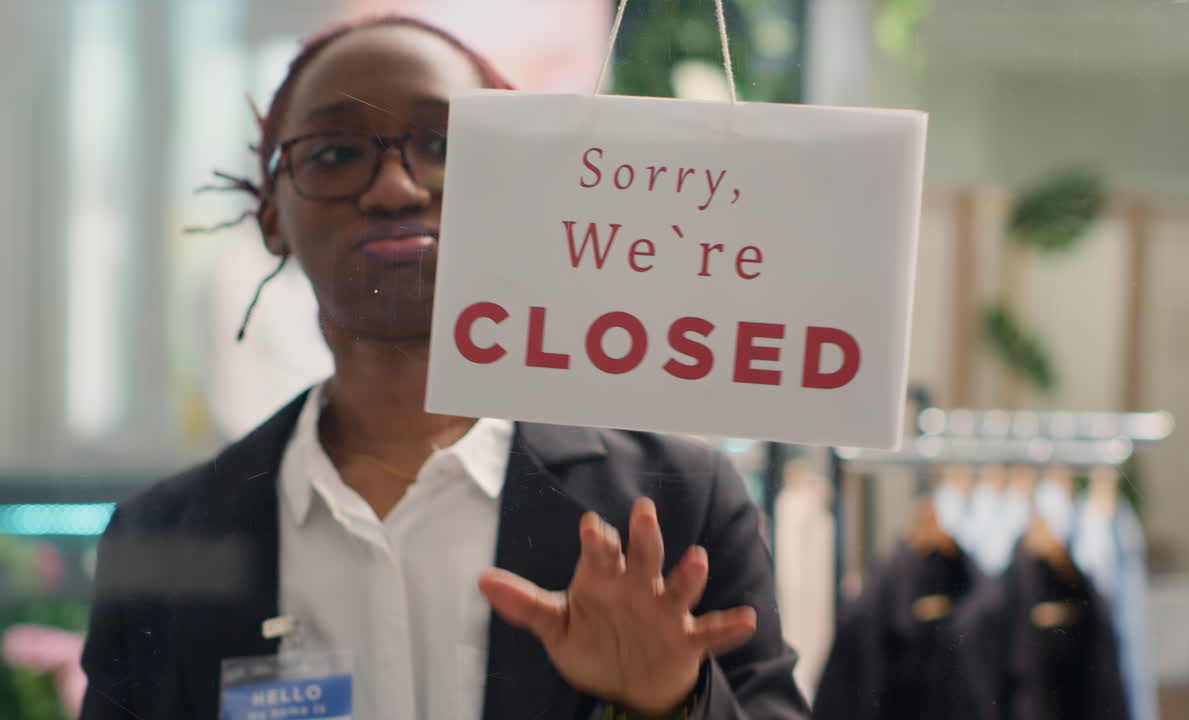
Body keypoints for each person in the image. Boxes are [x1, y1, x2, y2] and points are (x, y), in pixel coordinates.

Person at [79, 15, 808, 720]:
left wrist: (668, 706)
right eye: (336, 153)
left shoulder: (679, 505)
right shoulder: (163, 541)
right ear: (272, 215)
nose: (394, 189)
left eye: (444, 144)